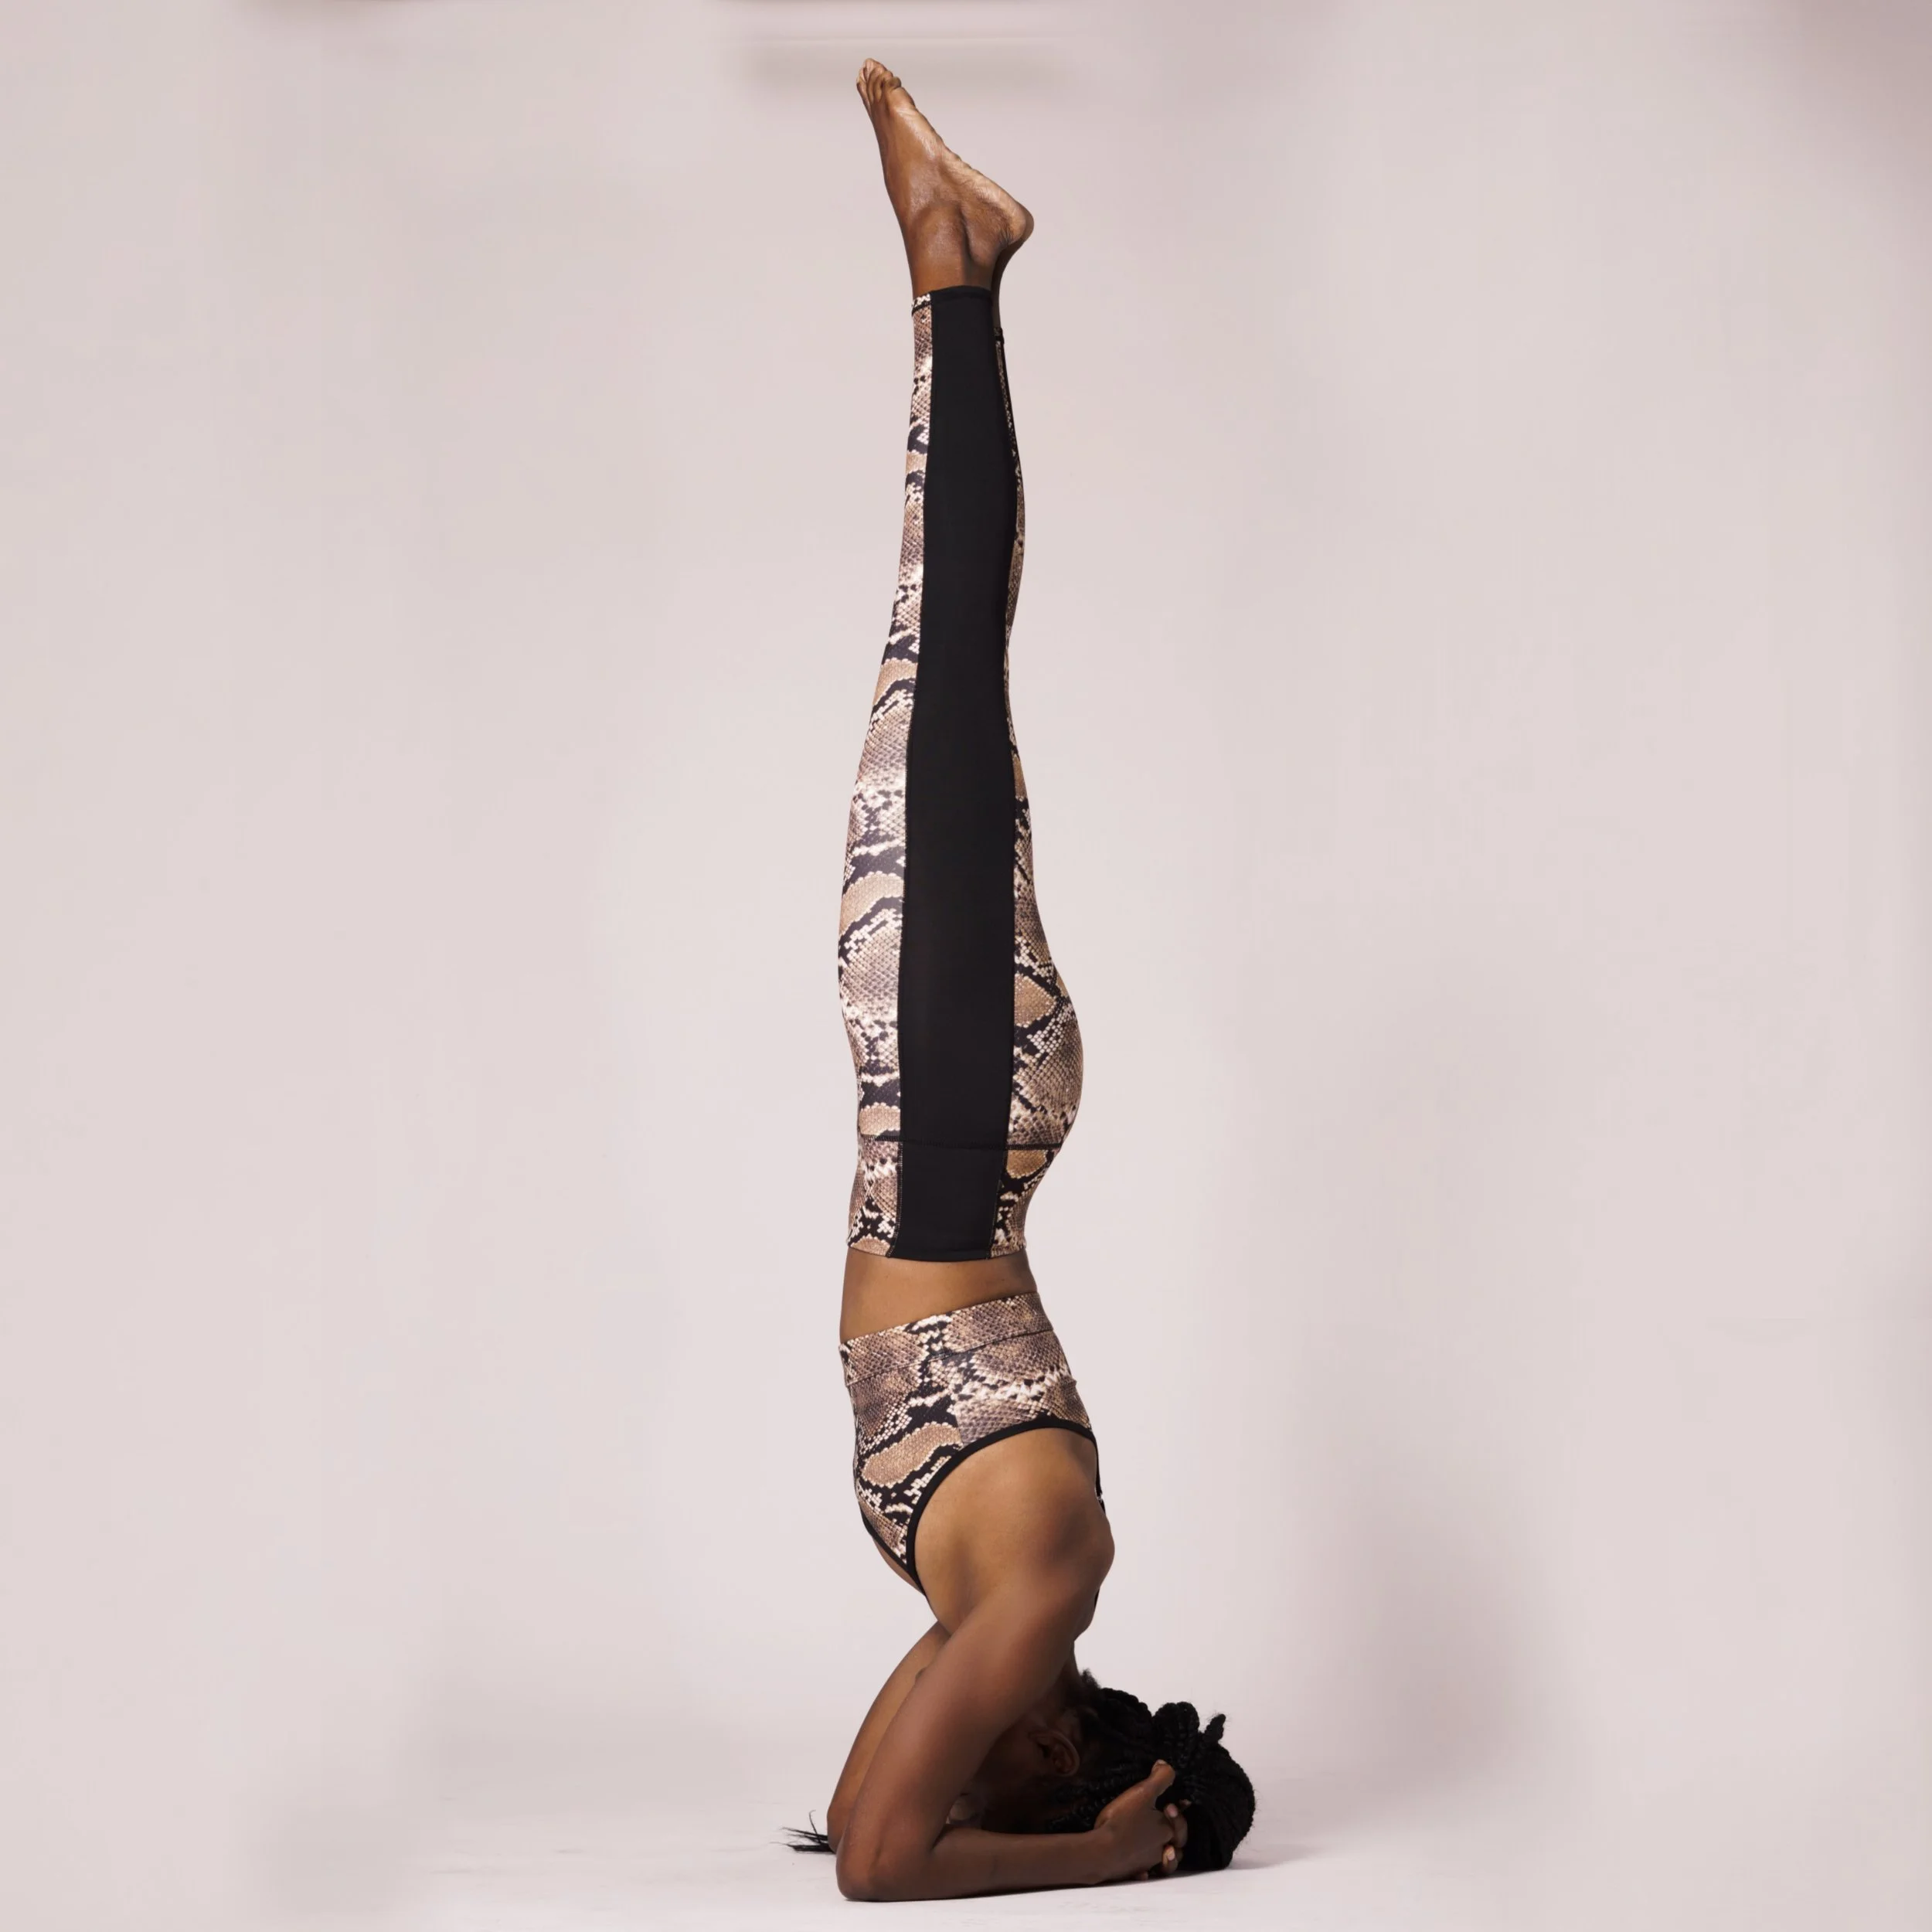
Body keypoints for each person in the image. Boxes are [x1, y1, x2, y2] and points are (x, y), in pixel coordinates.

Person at [800, 60, 1256, 1901]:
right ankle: (955, 272)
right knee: (944, 665)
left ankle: (955, 276)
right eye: (1056, 1787)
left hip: (942, 1126)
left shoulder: (988, 1618)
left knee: (942, 674)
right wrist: (1111, 1861)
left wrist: (1071, 1839)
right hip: (955, 1123)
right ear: (1075, 1757)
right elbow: (886, 1868)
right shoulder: (1047, 1586)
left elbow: (859, 1823)